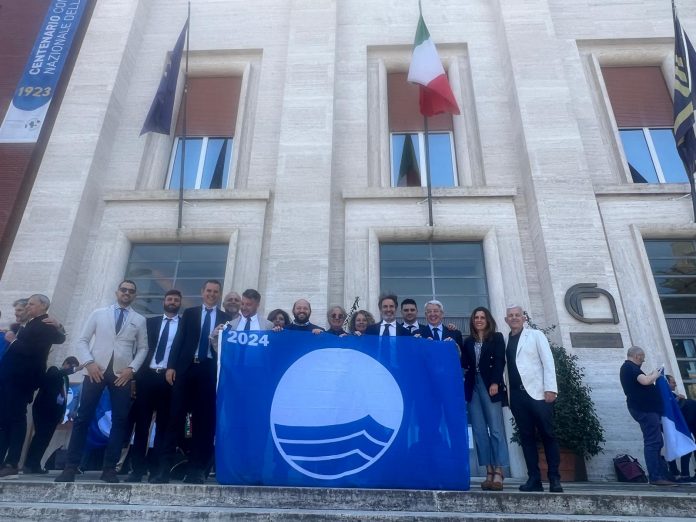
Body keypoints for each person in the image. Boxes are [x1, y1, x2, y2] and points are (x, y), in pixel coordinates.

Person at [55, 280, 148, 484]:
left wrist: (132, 369)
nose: (127, 293)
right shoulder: (99, 313)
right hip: (95, 371)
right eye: (123, 290)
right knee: (83, 417)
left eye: (131, 291)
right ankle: (70, 467)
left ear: (135, 295)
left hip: (121, 375)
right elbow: (82, 340)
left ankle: (109, 469)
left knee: (120, 420)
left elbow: (143, 348)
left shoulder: (139, 319)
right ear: (117, 292)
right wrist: (89, 363)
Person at [151, 280, 231, 484]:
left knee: (203, 422)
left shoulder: (226, 318)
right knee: (175, 418)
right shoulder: (190, 313)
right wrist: (171, 366)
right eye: (208, 290)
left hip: (209, 372)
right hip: (186, 370)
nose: (212, 294)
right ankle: (163, 470)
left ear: (219, 294)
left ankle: (196, 470)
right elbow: (179, 340)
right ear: (202, 292)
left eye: (215, 291)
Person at [0, 294, 66, 479]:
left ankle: (12, 462)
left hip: (23, 378)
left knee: (16, 419)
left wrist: (13, 340)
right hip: (11, 377)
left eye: (31, 304)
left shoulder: (44, 324)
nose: (28, 307)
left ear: (43, 305)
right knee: (5, 420)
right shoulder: (31, 323)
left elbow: (34, 351)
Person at [504, 305, 563, 493]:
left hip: (538, 393)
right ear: (506, 320)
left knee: (548, 434)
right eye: (510, 316)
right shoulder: (505, 340)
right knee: (527, 437)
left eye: (517, 315)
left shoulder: (535, 335)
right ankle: (534, 479)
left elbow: (548, 361)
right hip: (517, 396)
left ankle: (554, 479)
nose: (514, 318)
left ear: (524, 318)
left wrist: (550, 388)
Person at [126, 290, 182, 483]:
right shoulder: (149, 323)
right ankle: (137, 470)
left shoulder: (184, 325)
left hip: (169, 379)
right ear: (164, 301)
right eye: (169, 299)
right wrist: (134, 378)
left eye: (176, 300)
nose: (172, 302)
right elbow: (139, 349)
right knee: (141, 425)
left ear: (180, 303)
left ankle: (157, 470)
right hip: (147, 377)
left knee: (164, 426)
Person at [462, 306, 509, 491]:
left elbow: (499, 361)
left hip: (490, 385)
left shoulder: (496, 338)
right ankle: (488, 471)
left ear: (488, 320)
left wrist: (496, 382)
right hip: (473, 386)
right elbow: (464, 363)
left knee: (496, 429)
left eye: (482, 317)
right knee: (479, 430)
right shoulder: (468, 341)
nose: (479, 320)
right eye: (476, 317)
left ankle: (499, 470)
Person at [23, 356, 83, 474]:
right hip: (43, 410)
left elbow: (63, 398)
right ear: (65, 363)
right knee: (39, 437)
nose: (71, 369)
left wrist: (62, 413)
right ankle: (28, 464)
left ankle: (36, 464)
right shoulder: (54, 370)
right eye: (71, 366)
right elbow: (55, 376)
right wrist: (74, 370)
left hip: (54, 413)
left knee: (46, 439)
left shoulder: (65, 379)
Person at [666, 374, 696, 480]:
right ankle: (681, 473)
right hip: (685, 423)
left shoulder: (672, 395)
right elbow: (668, 408)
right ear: (667, 384)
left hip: (689, 421)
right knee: (684, 447)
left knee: (688, 447)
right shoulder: (665, 396)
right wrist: (677, 399)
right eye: (673, 382)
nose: (675, 385)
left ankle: (683, 474)